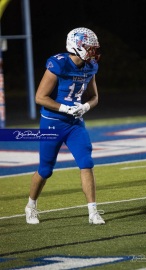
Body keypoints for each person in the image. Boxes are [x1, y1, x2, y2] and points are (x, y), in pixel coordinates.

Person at [25, 27, 105, 225]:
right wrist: (65, 109)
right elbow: (40, 97)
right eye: (89, 47)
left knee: (86, 162)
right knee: (45, 169)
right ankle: (31, 206)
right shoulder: (59, 64)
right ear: (76, 46)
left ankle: (93, 211)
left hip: (75, 124)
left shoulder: (90, 66)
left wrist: (85, 106)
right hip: (53, 123)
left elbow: (94, 97)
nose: (93, 51)